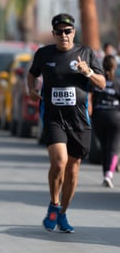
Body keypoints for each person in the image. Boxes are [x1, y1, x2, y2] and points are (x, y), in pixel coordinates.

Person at [27, 13, 106, 233]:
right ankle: (54, 203)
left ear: (74, 32)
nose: (64, 35)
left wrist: (87, 71)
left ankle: (62, 213)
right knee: (59, 162)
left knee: (73, 169)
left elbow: (101, 83)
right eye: (59, 32)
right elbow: (31, 75)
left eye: (67, 31)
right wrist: (31, 90)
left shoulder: (86, 53)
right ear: (53, 34)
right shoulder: (44, 54)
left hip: (79, 120)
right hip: (54, 118)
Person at [91, 55, 120, 188]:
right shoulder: (118, 84)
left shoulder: (98, 82)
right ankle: (109, 174)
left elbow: (92, 99)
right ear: (115, 67)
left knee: (104, 147)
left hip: (99, 117)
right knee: (113, 148)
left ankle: (105, 175)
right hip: (115, 117)